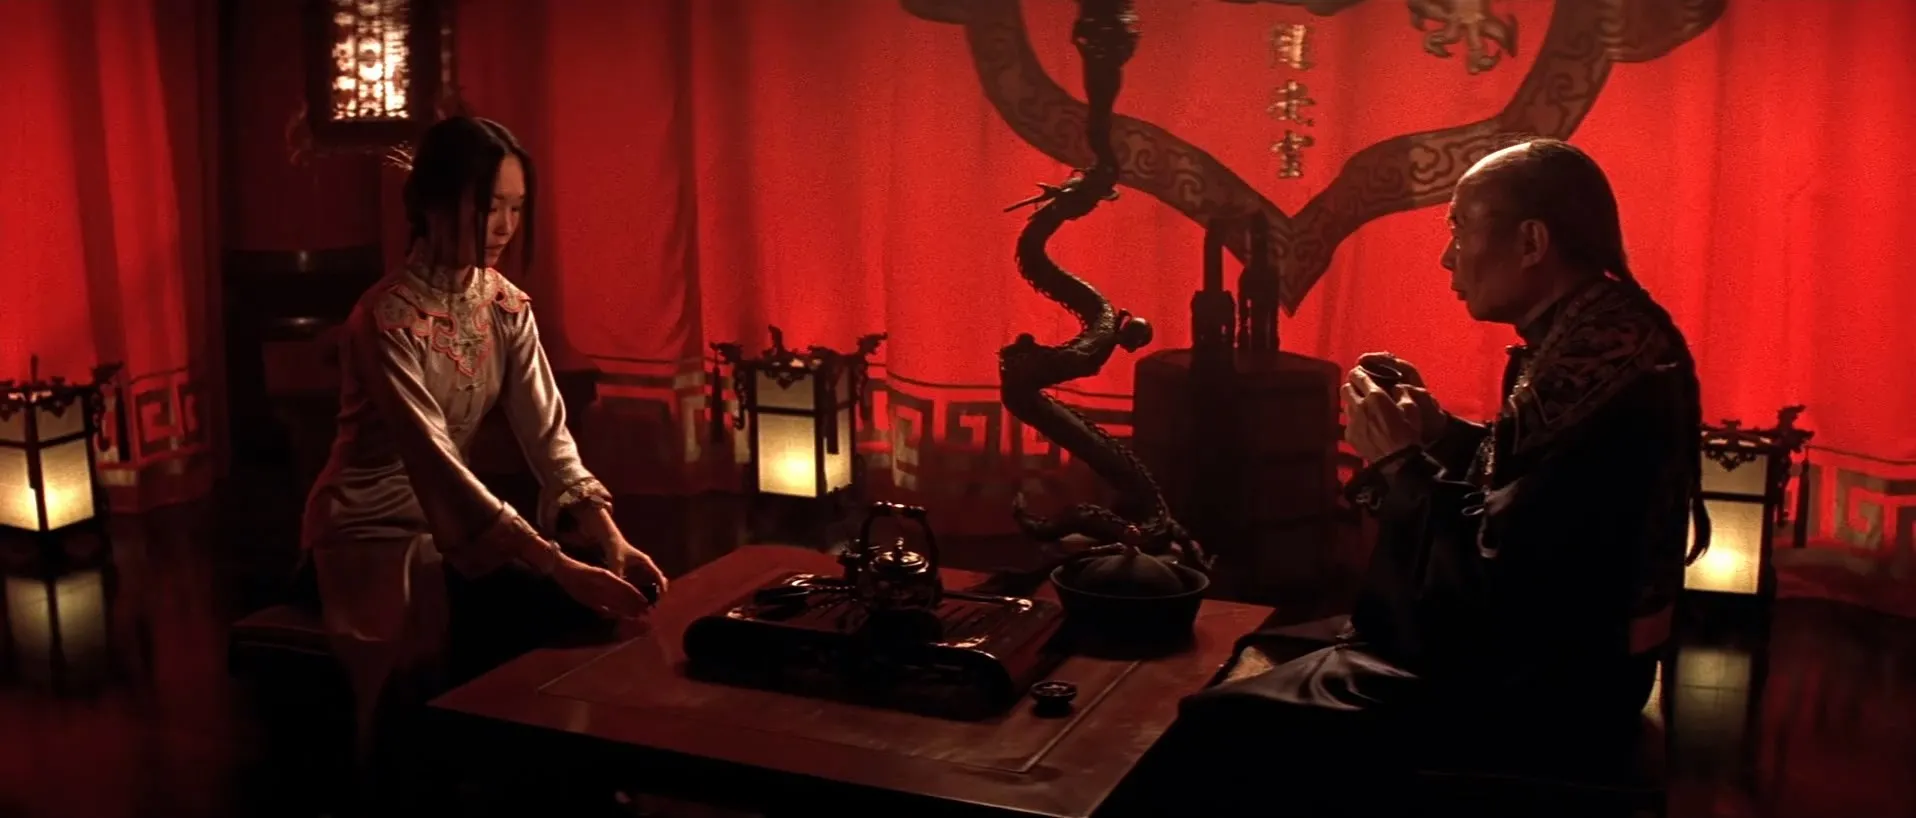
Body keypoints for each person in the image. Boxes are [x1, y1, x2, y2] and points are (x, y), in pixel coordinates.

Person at [1126, 139, 1707, 816]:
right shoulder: (1603, 331)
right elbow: (1532, 502)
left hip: (1550, 685)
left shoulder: (1595, 370)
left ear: (1531, 242)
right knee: (1266, 643)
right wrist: (1438, 434)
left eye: (1460, 228)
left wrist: (1399, 466)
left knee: (1206, 726)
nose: (1446, 257)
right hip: (1559, 650)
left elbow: (1500, 579)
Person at [298, 116, 671, 772]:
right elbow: (437, 464)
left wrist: (607, 535)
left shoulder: (504, 304)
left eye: (516, 209)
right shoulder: (384, 318)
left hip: (455, 522)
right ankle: (487, 770)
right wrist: (556, 563)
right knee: (549, 604)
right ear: (433, 203)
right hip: (373, 531)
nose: (503, 226)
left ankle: (547, 773)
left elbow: (548, 434)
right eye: (489, 206)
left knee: (601, 592)